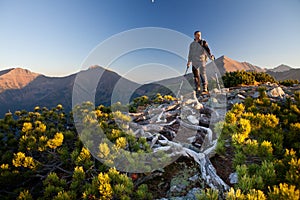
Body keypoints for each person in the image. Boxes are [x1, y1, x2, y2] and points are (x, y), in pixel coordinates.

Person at [187, 31, 214, 95]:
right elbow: (190, 53)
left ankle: (205, 88)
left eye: (200, 35)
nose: (199, 36)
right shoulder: (192, 44)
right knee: (195, 75)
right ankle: (197, 88)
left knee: (202, 74)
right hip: (194, 61)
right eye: (198, 35)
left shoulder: (203, 42)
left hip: (202, 60)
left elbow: (207, 50)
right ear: (194, 35)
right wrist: (189, 62)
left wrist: (210, 56)